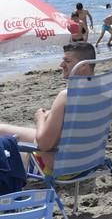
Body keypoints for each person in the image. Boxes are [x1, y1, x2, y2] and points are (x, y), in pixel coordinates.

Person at [0, 43, 96, 172]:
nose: (61, 65)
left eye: (67, 61)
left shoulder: (67, 96)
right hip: (88, 159)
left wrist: (39, 119)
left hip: (57, 166)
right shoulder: (103, 90)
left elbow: (44, 145)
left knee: (7, 146)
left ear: (83, 66)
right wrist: (52, 115)